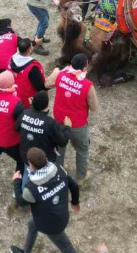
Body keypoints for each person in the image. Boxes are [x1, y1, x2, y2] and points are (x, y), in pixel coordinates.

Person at [10, 147, 80, 253]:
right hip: (59, 214)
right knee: (32, 223)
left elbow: (20, 201)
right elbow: (74, 186)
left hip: (51, 225)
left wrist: (16, 181)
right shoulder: (59, 170)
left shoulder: (32, 188)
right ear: (45, 158)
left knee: (66, 247)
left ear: (31, 165)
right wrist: (75, 202)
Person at [46, 53, 98, 181]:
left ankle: (57, 173)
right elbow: (94, 107)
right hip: (77, 124)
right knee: (82, 149)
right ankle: (81, 176)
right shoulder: (87, 85)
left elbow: (47, 83)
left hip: (58, 120)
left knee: (59, 148)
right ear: (85, 69)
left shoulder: (61, 75)